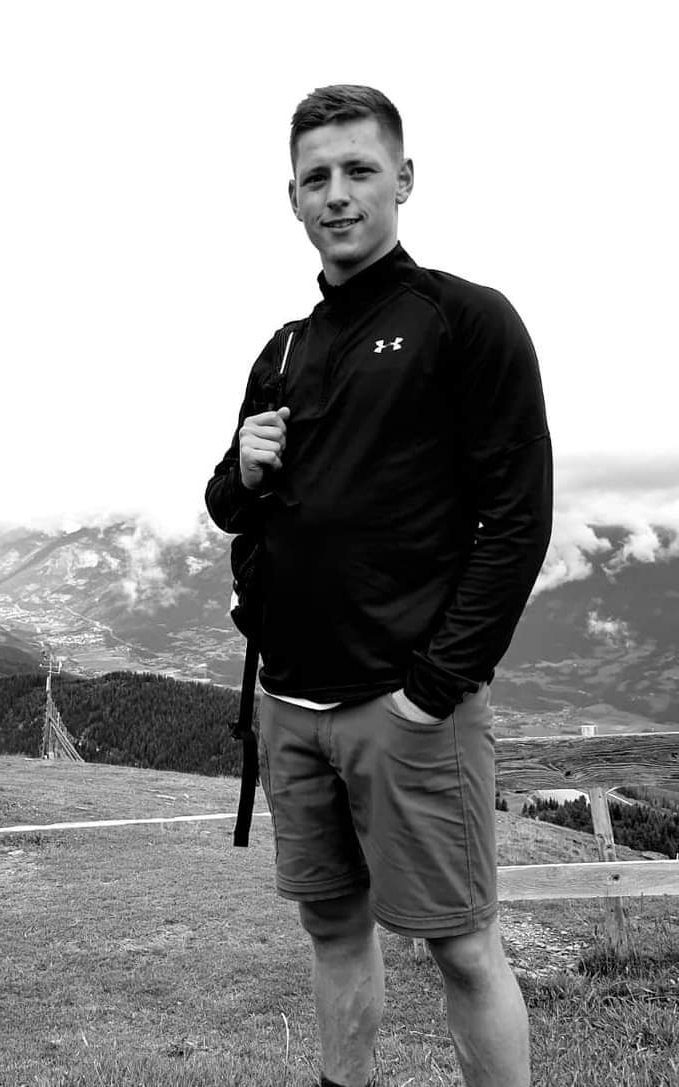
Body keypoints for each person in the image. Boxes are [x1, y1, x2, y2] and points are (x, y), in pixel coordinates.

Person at [205, 85, 552, 1087]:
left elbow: (517, 520)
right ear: (292, 198)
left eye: (359, 170)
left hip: (407, 706)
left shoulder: (466, 320)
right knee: (331, 929)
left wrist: (431, 691)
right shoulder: (283, 348)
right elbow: (228, 504)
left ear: (404, 179)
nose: (338, 193)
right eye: (316, 177)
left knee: (462, 944)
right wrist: (243, 468)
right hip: (289, 701)